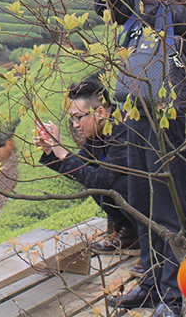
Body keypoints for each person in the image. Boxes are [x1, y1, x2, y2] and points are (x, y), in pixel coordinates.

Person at [95, 0, 186, 317]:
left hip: (170, 110)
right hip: (137, 107)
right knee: (141, 201)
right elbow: (114, 11)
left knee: (167, 206)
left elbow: (173, 16)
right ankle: (151, 280)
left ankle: (175, 295)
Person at [34, 78, 140, 254]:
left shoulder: (123, 131)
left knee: (118, 185)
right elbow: (81, 168)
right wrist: (51, 151)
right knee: (90, 177)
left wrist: (62, 152)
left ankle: (145, 241)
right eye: (72, 118)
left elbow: (101, 179)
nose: (75, 125)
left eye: (78, 117)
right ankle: (129, 232)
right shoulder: (98, 133)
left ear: (100, 111)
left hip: (157, 205)